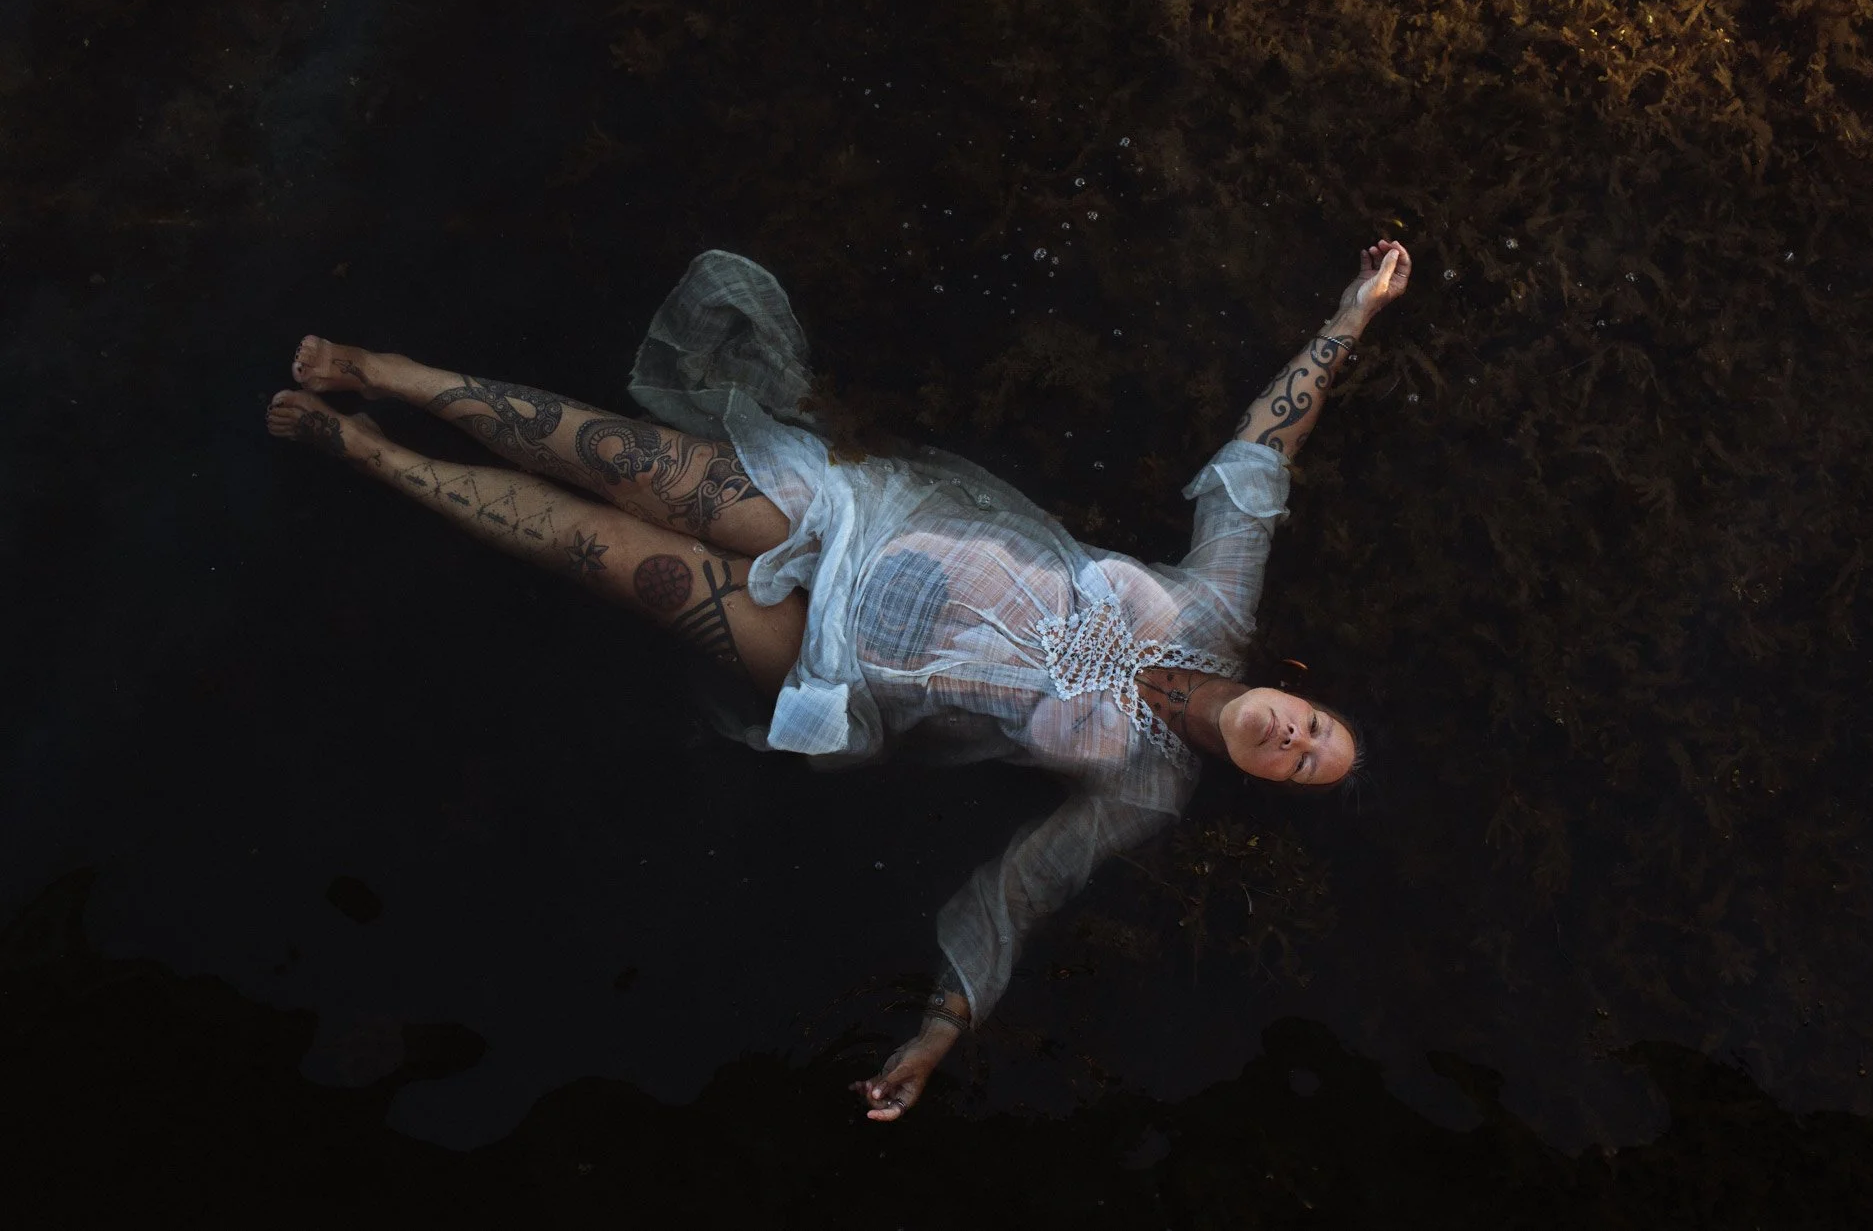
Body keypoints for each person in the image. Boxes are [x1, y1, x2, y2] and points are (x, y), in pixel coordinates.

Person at [265, 238, 1413, 1121]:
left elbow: (1017, 891)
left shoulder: (1144, 792)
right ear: (1302, 693)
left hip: (839, 659)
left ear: (1271, 783)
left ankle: (368, 450)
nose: (1297, 739)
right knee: (614, 454)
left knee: (595, 552)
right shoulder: (1217, 605)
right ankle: (386, 373)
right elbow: (1262, 454)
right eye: (1317, 726)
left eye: (1302, 765)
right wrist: (1350, 317)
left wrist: (935, 1039)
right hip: (859, 516)